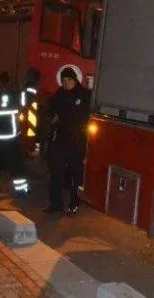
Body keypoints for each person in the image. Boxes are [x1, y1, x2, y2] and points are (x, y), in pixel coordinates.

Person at [43, 67, 91, 215]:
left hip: (76, 140)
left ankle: (74, 203)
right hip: (59, 139)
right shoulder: (59, 93)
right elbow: (51, 111)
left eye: (68, 80)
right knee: (56, 172)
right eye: (63, 80)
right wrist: (52, 118)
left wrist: (61, 116)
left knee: (75, 173)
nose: (65, 83)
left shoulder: (84, 95)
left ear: (74, 80)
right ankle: (55, 204)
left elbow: (80, 116)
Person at [0, 72, 29, 195]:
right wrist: (22, 89)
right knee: (16, 164)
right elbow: (24, 103)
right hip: (10, 136)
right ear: (8, 81)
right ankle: (21, 190)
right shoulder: (13, 93)